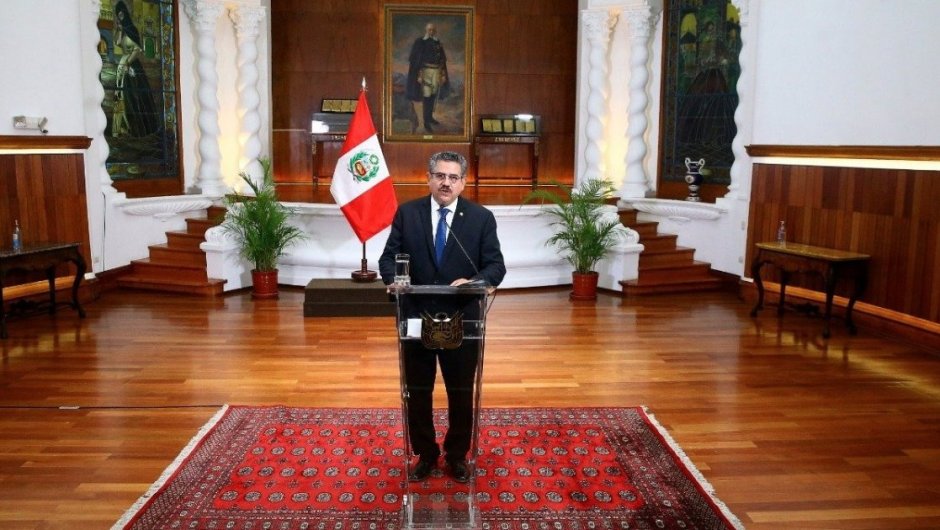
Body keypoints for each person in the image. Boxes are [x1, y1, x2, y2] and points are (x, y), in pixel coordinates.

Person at [379, 151, 506, 483]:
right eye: (439, 175)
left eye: (453, 177)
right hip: (415, 318)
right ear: (428, 178)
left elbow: (495, 266)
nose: (445, 182)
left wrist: (475, 282)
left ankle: (456, 455)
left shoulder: (480, 218)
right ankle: (426, 454)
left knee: (460, 392)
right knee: (418, 391)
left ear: (463, 182)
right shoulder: (408, 214)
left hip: (461, 320)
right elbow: (388, 259)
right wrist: (394, 279)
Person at [113, 0, 160, 138]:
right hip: (123, 65)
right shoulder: (122, 30)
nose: (120, 17)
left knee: (134, 94)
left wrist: (128, 63)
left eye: (122, 15)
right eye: (118, 15)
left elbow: (137, 49)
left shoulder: (132, 29)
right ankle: (124, 127)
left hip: (132, 64)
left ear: (126, 14)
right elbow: (117, 43)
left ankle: (139, 128)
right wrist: (119, 30)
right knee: (121, 94)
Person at [406, 23, 451, 133]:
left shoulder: (438, 43)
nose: (431, 32)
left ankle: (430, 117)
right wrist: (419, 75)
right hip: (425, 71)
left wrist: (443, 74)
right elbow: (415, 60)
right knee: (426, 95)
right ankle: (426, 122)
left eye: (433, 30)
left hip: (436, 71)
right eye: (429, 30)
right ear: (426, 30)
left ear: (434, 31)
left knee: (433, 94)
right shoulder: (420, 42)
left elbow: (442, 60)